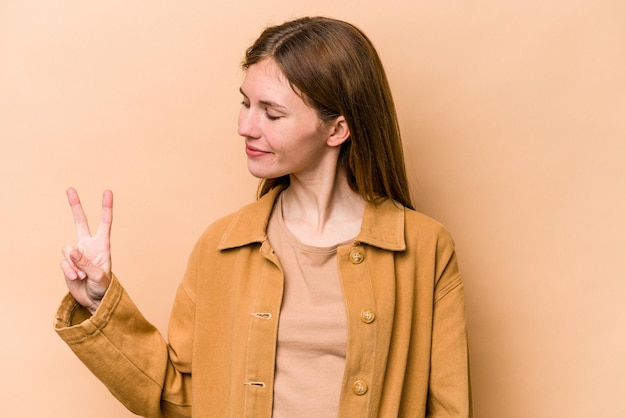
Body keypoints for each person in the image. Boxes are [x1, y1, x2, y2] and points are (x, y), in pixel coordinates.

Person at [54, 16, 472, 418]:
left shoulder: (423, 248)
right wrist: (99, 302)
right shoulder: (221, 246)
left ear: (336, 130)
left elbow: (449, 408)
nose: (245, 126)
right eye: (245, 103)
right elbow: (179, 397)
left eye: (272, 113)